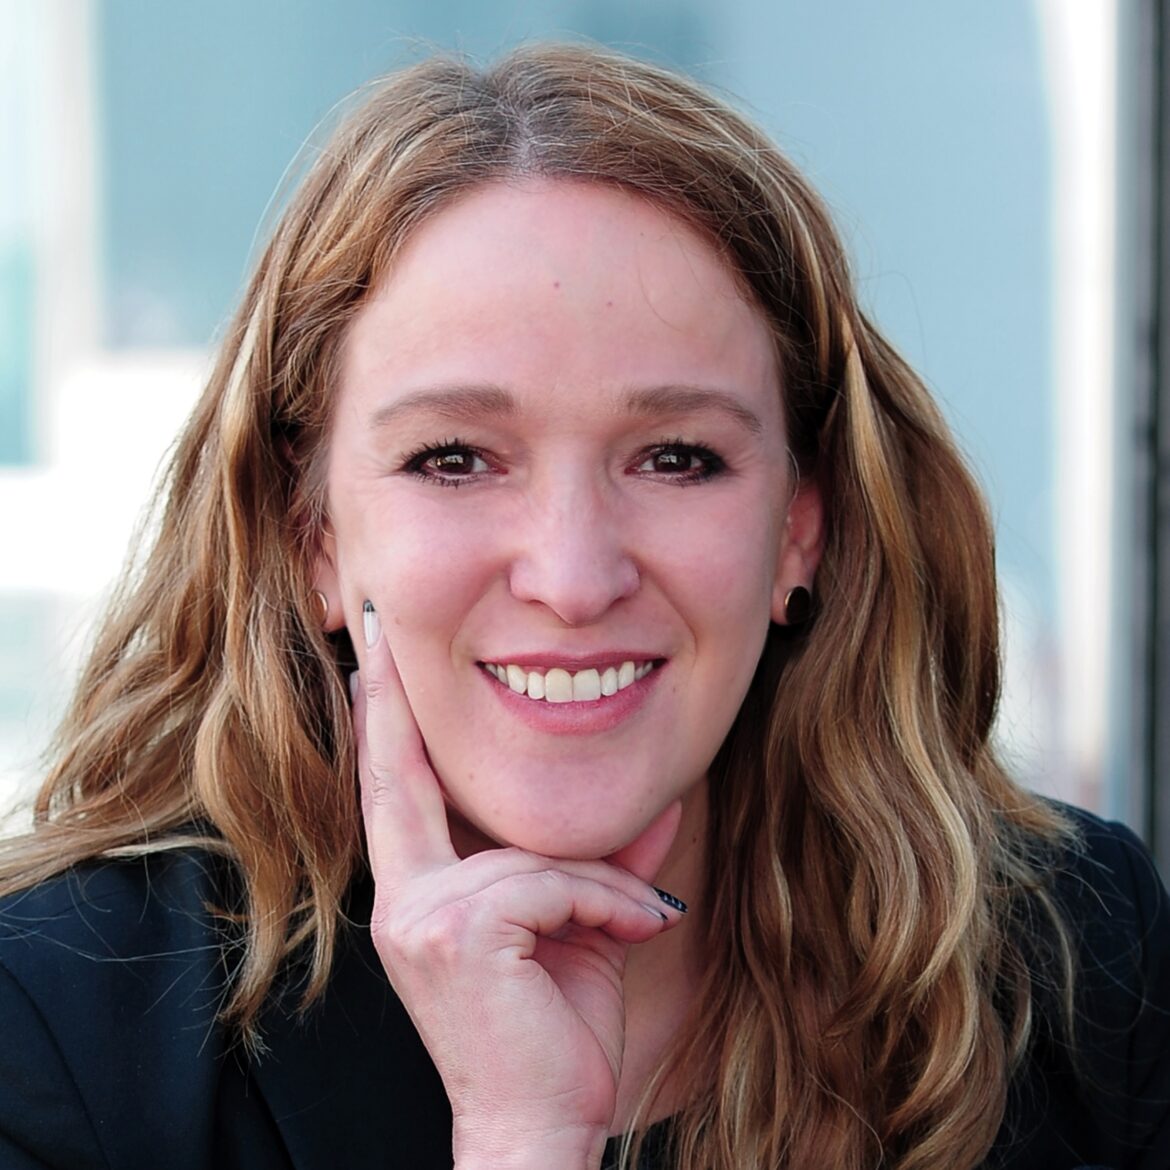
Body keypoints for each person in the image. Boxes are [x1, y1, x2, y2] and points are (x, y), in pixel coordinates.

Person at [0, 42, 1167, 1170]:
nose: (571, 577)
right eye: (455, 459)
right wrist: (525, 1144)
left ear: (798, 529)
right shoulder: (53, 1029)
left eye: (677, 458)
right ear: (312, 534)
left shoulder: (1076, 967)